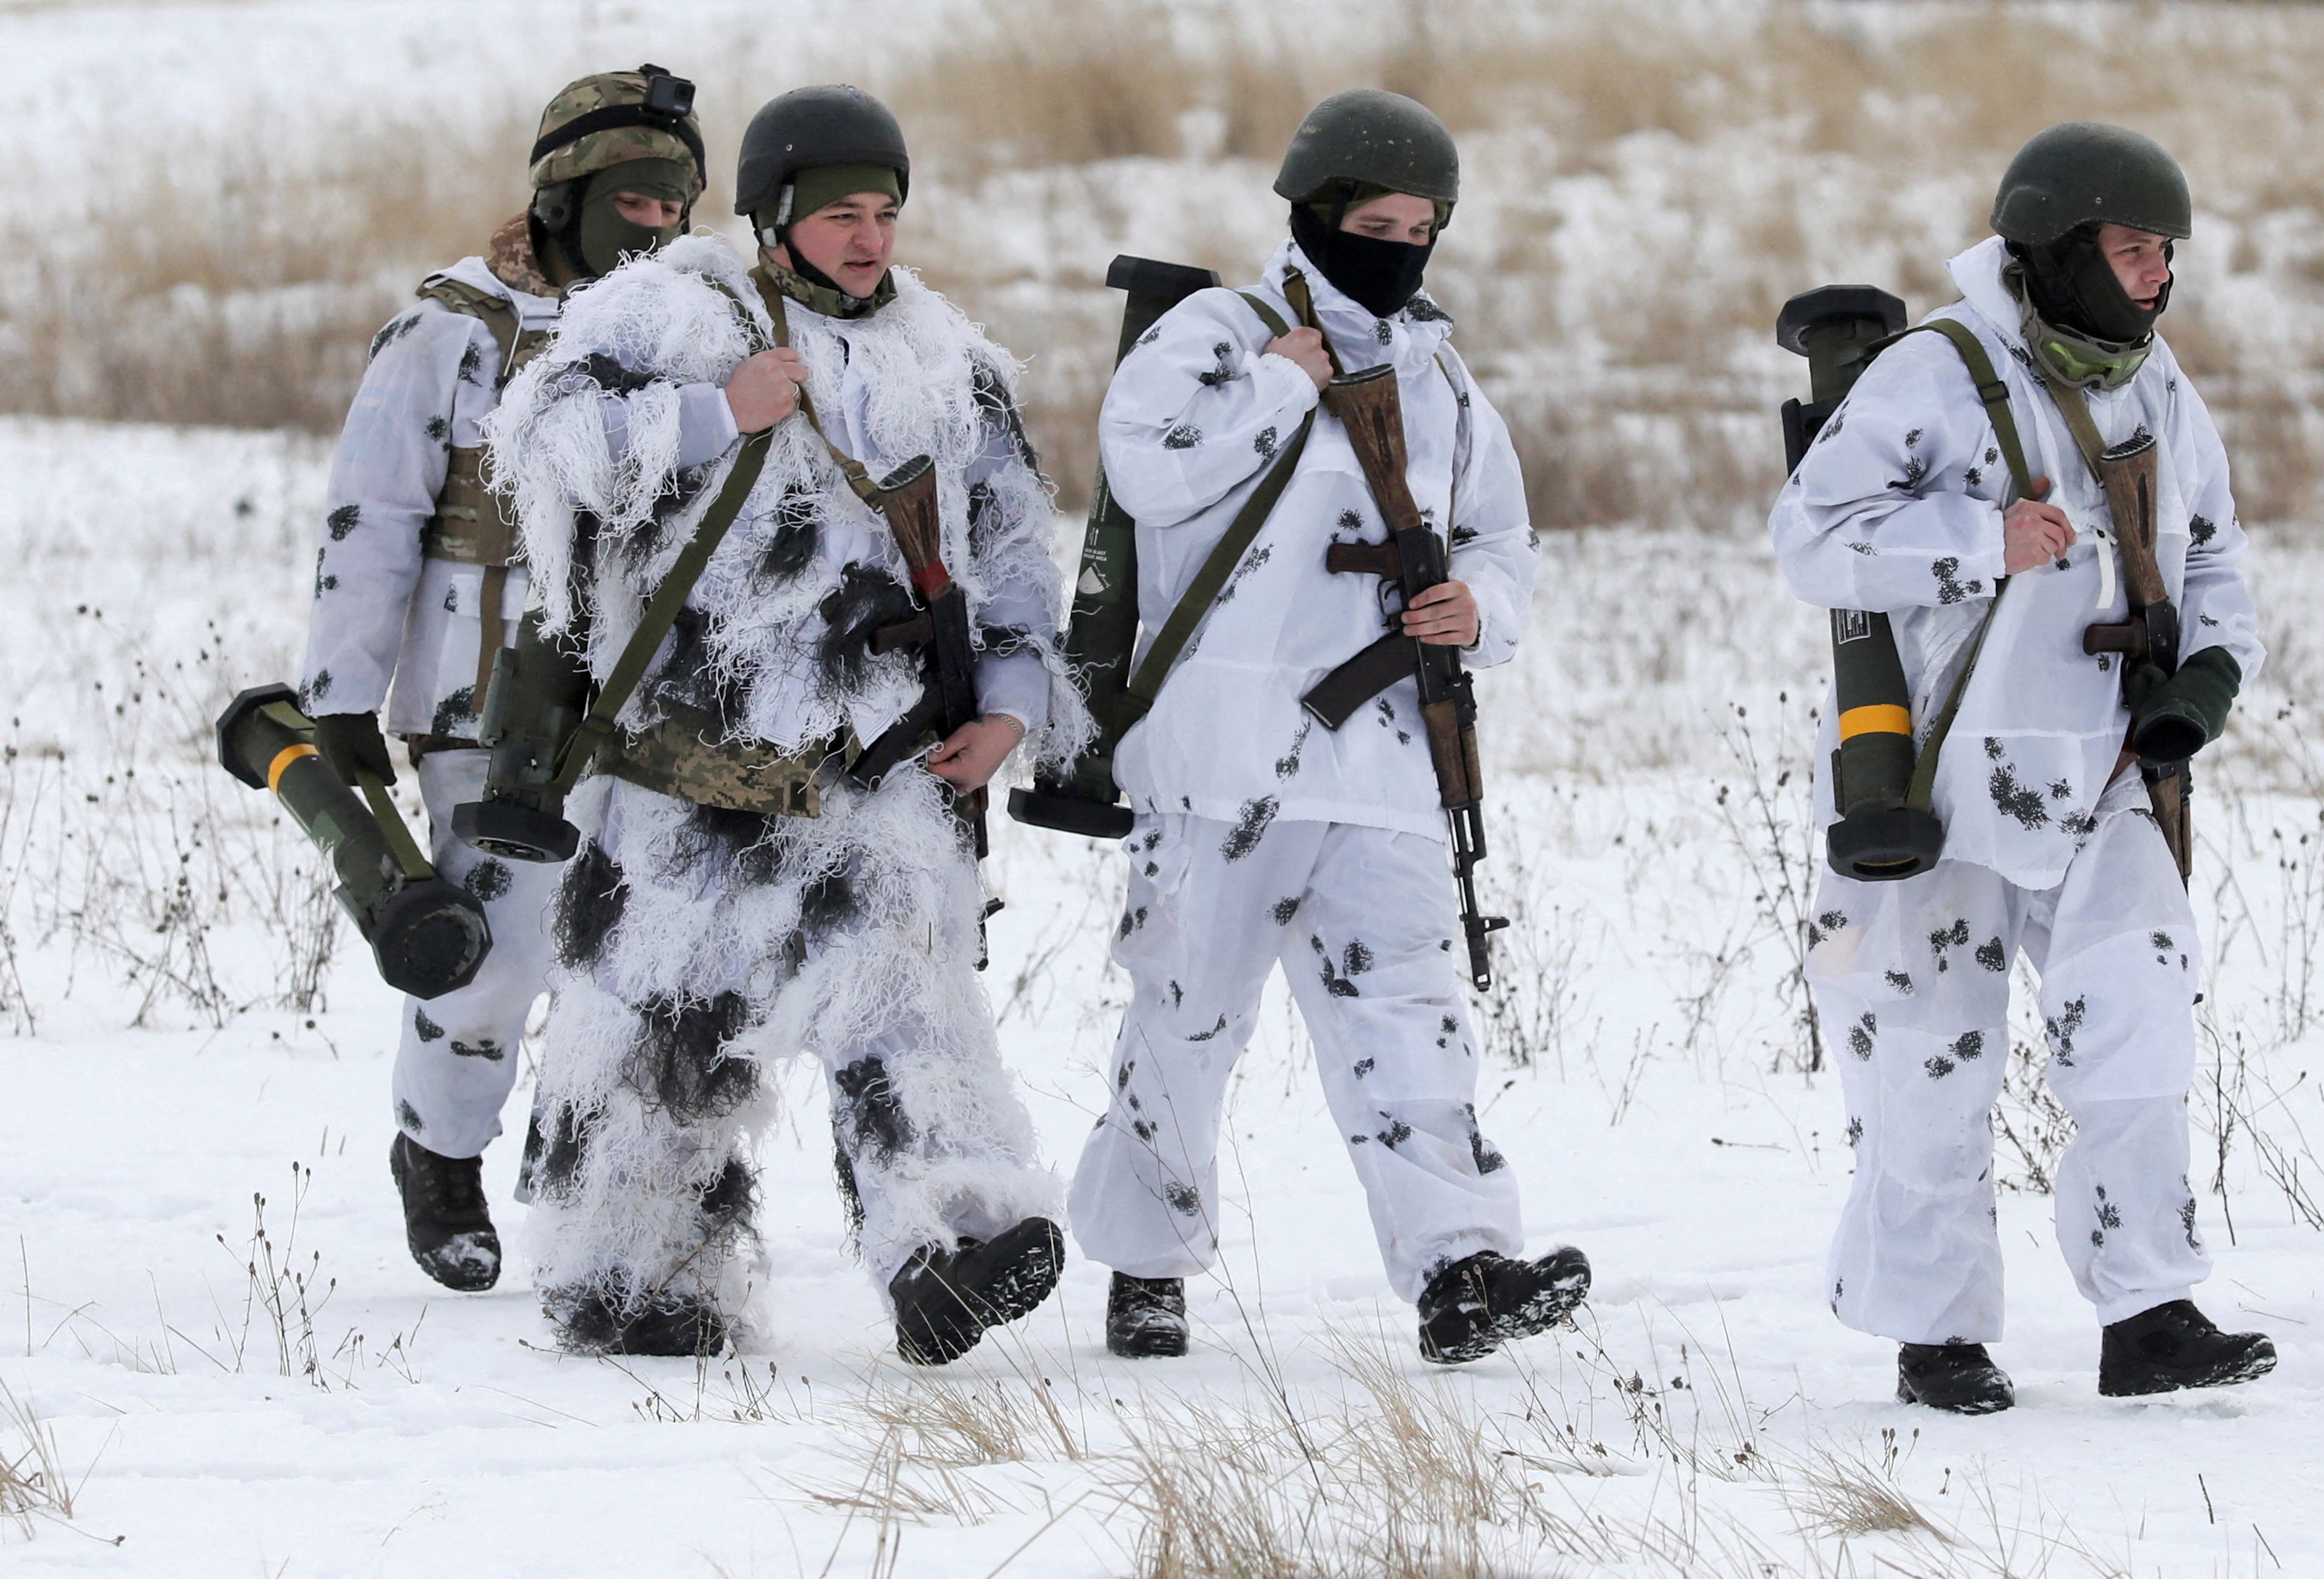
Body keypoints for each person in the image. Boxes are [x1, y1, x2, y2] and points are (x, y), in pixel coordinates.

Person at [483, 84, 1084, 1360]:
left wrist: (1014, 709)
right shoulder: (673, 314)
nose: (869, 239)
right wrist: (714, 414)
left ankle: (951, 1248)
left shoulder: (943, 357)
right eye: (840, 215)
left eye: (885, 213)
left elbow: (1017, 546)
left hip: (881, 763)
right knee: (663, 1037)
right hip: (688, 776)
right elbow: (545, 448)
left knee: (909, 1006)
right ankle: (636, 1288)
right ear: (773, 217)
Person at [1067, 89, 1588, 1366]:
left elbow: (1502, 530)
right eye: (1374, 221)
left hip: (1390, 762)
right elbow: (1145, 468)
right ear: (1312, 216)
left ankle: (1461, 1270)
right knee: (1187, 1018)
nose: (1399, 246)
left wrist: (1484, 608)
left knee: (1411, 1018)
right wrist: (1271, 389)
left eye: (1421, 226)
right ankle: (1147, 1266)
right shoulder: (1216, 332)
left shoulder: (1442, 372)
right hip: (1224, 758)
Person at [1772, 122, 2273, 1413]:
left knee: (2143, 1029)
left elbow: (2213, 559)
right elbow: (1813, 542)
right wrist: (1978, 539)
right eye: (2131, 251)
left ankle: (2150, 1312)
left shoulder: (2160, 384)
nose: (2158, 276)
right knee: (1934, 1055)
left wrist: (2202, 684)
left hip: (2108, 772)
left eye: (2169, 252)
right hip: (1944, 784)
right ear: (2057, 252)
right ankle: (1936, 1336)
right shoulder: (1932, 376)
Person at [296, 65, 705, 1292]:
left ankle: (580, 1160)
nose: (662, 230)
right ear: (564, 197)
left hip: (641, 709)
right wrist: (338, 697)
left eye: (680, 205)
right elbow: (369, 519)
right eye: (636, 204)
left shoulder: (682, 326)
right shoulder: (449, 333)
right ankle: (440, 1154)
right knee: (496, 956)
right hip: (480, 701)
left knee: (628, 956)